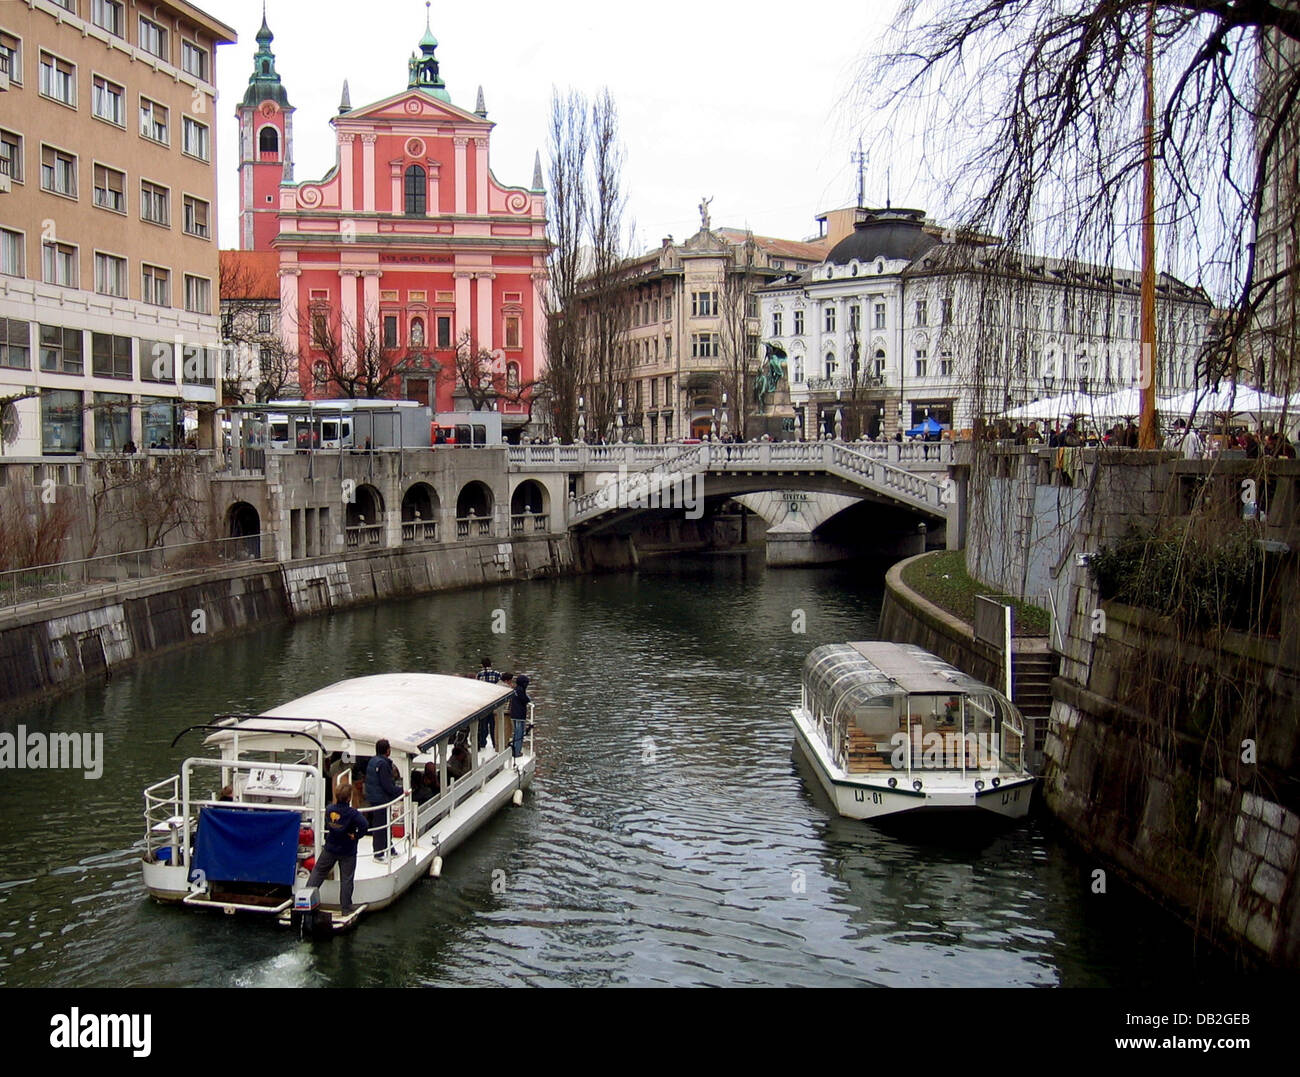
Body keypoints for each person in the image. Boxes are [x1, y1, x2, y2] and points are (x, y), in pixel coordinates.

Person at [304, 778, 369, 915]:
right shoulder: (352, 813)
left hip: (331, 847)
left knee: (318, 872)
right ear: (349, 798)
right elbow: (364, 825)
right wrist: (356, 835)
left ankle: (305, 900)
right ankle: (345, 909)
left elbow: (329, 825)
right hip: (348, 850)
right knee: (346, 880)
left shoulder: (329, 809)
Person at [364, 739, 402, 861]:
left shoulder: (373, 761)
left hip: (374, 798)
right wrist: (401, 791)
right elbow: (387, 785)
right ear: (388, 750)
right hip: (381, 799)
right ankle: (378, 853)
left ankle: (389, 849)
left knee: (383, 825)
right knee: (381, 826)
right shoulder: (383, 764)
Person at [475, 657, 502, 750]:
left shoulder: (479, 675)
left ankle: (482, 743)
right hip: (494, 704)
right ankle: (495, 744)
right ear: (491, 664)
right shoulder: (497, 674)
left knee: (483, 725)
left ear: (482, 665)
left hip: (484, 704)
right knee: (494, 726)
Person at [509, 674, 531, 765]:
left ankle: (514, 750)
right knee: (519, 734)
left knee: (516, 734)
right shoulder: (521, 691)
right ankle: (517, 752)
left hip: (514, 714)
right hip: (519, 716)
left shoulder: (515, 690)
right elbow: (526, 699)